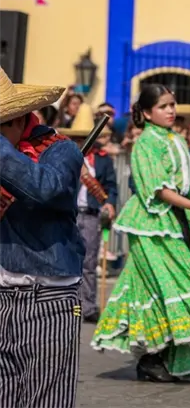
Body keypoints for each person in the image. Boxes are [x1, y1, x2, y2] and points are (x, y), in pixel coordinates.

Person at [91, 84, 190, 383]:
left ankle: (167, 358)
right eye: (163, 106)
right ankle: (152, 359)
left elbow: (187, 179)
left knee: (165, 288)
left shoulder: (176, 140)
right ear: (146, 113)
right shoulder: (145, 144)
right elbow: (159, 189)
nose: (171, 110)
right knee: (167, 287)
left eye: (172, 104)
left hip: (176, 222)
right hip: (150, 226)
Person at [0, 69, 83, 407]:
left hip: (47, 297)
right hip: (2, 295)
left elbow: (43, 188)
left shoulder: (62, 152)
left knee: (44, 400)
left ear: (20, 119)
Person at [57, 103, 118, 323]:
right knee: (65, 261)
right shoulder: (63, 157)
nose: (84, 141)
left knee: (89, 263)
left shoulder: (103, 160)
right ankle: (66, 305)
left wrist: (110, 203)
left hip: (91, 214)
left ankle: (89, 306)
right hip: (69, 213)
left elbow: (111, 186)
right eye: (80, 137)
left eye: (87, 137)